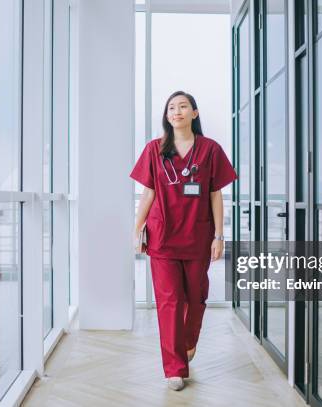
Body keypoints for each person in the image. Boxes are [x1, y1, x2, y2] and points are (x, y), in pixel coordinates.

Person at [130, 90, 237, 391]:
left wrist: (219, 235)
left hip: (197, 236)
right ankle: (174, 368)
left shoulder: (210, 150)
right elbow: (148, 193)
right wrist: (137, 229)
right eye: (171, 108)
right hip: (162, 237)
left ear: (195, 113)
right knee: (169, 302)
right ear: (167, 116)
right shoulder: (154, 149)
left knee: (196, 296)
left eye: (183, 106)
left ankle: (189, 341)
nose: (176, 111)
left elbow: (216, 194)